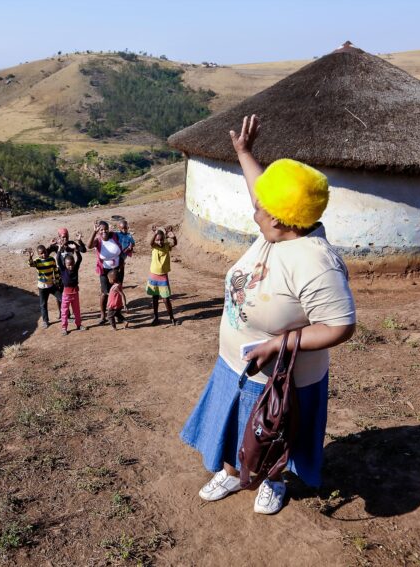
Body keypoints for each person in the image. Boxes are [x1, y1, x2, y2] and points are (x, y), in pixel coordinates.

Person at [180, 114, 356, 515]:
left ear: (278, 217)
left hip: (281, 380)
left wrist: (278, 344)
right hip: (236, 364)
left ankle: (274, 480)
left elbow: (340, 326)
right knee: (236, 430)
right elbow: (260, 192)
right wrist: (245, 152)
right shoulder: (281, 231)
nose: (254, 210)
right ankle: (231, 471)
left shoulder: (315, 262)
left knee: (275, 431)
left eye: (261, 208)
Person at [88, 220, 122, 325]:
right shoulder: (98, 240)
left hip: (117, 269)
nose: (104, 231)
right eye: (101, 230)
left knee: (117, 291)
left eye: (106, 229)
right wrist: (94, 232)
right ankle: (103, 315)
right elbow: (89, 246)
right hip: (104, 270)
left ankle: (118, 313)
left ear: (108, 229)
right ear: (99, 231)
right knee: (105, 292)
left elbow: (125, 236)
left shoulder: (114, 236)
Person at [145, 225, 177, 326]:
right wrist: (155, 234)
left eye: (161, 240)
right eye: (157, 240)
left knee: (166, 298)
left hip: (163, 276)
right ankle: (156, 317)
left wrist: (174, 237)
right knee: (155, 298)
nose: (159, 242)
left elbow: (174, 243)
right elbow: (151, 242)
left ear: (164, 239)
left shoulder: (166, 245)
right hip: (153, 275)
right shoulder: (154, 246)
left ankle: (171, 317)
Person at [26, 244, 61, 329]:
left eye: (45, 252)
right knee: (43, 304)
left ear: (46, 251)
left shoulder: (51, 259)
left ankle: (66, 316)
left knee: (62, 299)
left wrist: (57, 281)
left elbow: (56, 270)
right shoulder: (37, 261)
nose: (44, 254)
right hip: (42, 287)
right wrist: (30, 257)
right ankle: (45, 321)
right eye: (41, 253)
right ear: (38, 254)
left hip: (51, 285)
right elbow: (31, 264)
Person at [56, 247, 84, 335]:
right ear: (65, 264)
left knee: (77, 311)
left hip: (75, 293)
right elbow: (58, 259)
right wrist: (59, 250)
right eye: (68, 265)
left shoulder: (75, 268)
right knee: (64, 311)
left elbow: (79, 259)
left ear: (74, 263)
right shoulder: (63, 270)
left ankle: (79, 325)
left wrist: (77, 251)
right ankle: (64, 328)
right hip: (66, 294)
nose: (71, 266)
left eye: (72, 264)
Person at [113, 219, 135, 285]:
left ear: (128, 228)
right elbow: (110, 235)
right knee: (116, 267)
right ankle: (115, 281)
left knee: (120, 265)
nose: (124, 230)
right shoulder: (117, 234)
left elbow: (133, 243)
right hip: (116, 252)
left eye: (125, 228)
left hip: (124, 252)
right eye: (122, 228)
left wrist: (131, 246)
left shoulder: (129, 236)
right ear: (119, 228)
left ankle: (120, 283)